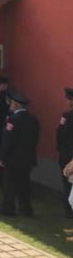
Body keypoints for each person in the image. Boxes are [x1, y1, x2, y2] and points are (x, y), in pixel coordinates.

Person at [0, 91, 40, 217]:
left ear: (16, 105)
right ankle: (26, 209)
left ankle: (8, 209)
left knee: (9, 184)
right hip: (27, 158)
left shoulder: (13, 120)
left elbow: (8, 141)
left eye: (12, 103)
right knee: (24, 184)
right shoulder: (33, 120)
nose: (10, 105)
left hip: (13, 158)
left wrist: (2, 157)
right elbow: (35, 139)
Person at [57, 88, 73, 217]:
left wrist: (60, 148)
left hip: (67, 154)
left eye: (67, 99)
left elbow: (61, 134)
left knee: (67, 182)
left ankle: (68, 210)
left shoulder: (67, 115)